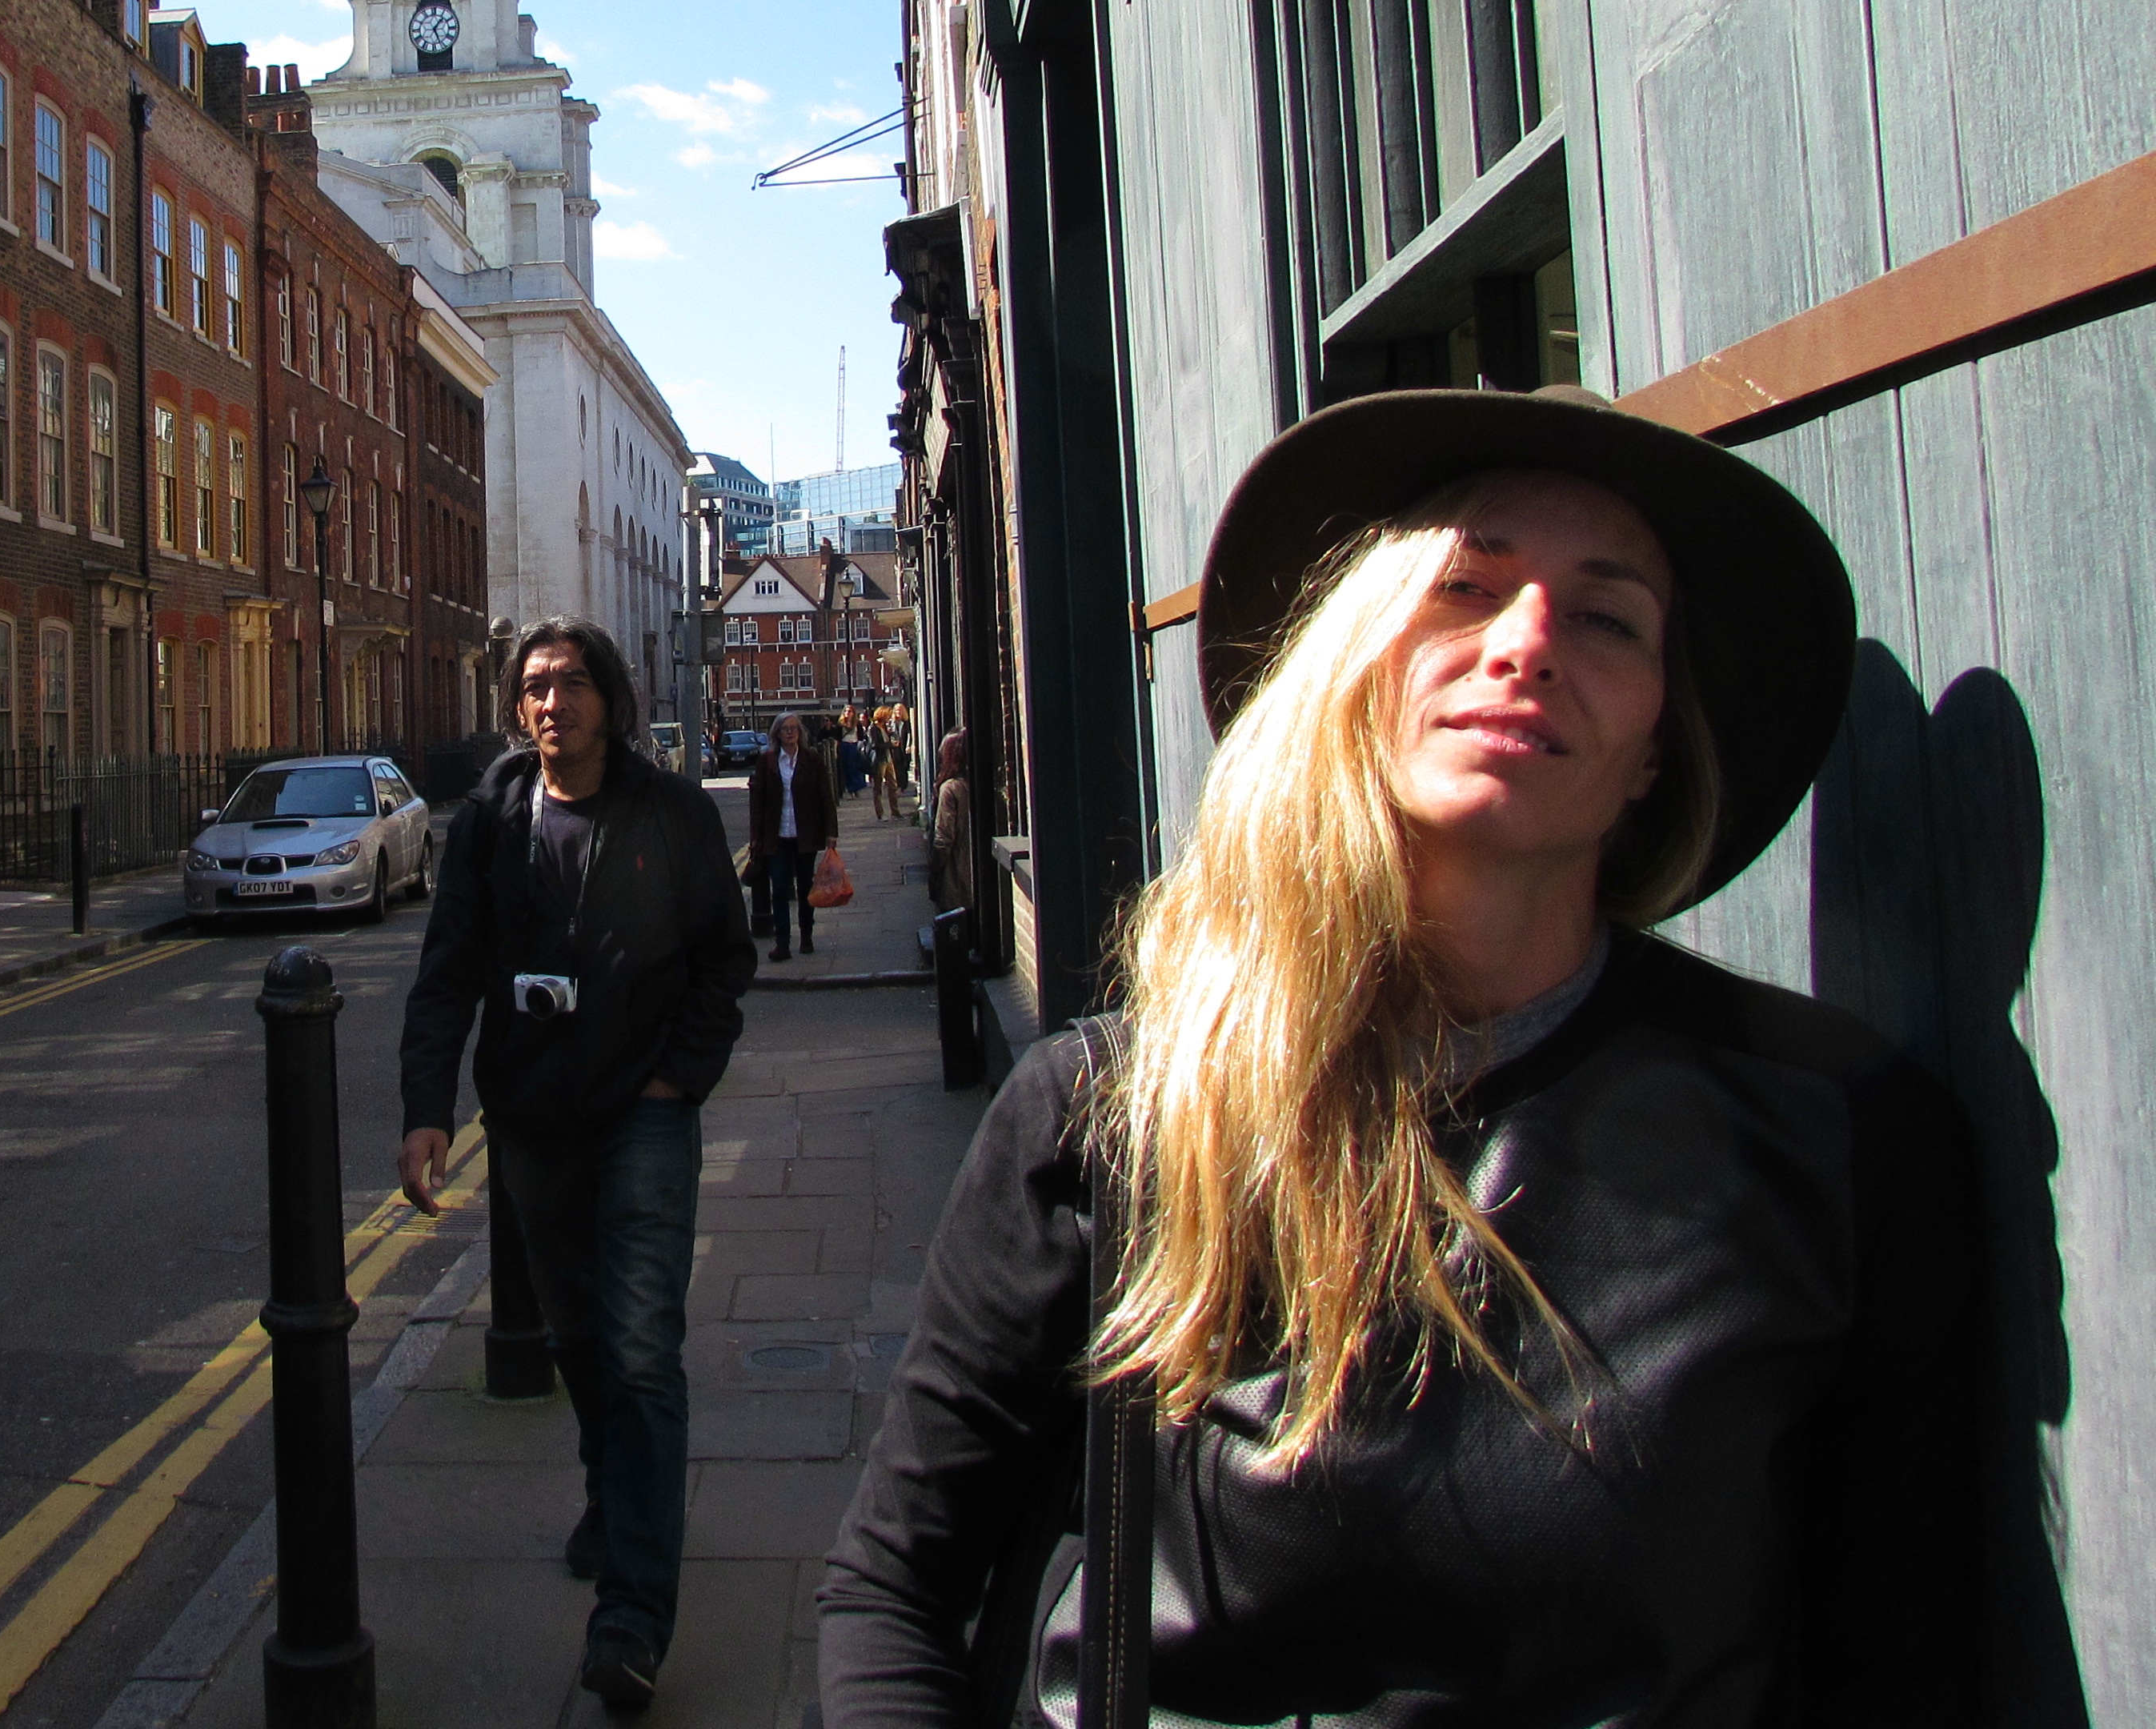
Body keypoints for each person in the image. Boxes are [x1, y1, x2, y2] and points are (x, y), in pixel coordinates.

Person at [817, 387, 1985, 1725]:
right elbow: (894, 1590)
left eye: (1607, 619)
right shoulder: (1117, 1117)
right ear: (1355, 672)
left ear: (1654, 753)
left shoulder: (1834, 1143)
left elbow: (1900, 1664)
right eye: (1465, 589)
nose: (1527, 642)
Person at [399, 616, 756, 1715]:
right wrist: (426, 1113)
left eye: (570, 682)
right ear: (519, 709)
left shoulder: (672, 813)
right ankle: (615, 1495)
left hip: (643, 1116)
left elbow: (724, 959)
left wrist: (676, 1081)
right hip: (534, 1121)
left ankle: (631, 1621)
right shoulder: (492, 825)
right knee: (580, 1339)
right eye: (535, 687)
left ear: (610, 696)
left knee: (643, 1349)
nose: (552, 702)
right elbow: (447, 969)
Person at [748, 710, 840, 957]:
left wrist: (831, 832)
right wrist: (755, 836)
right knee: (779, 889)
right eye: (784, 729)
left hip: (805, 833)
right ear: (777, 734)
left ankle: (806, 937)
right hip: (776, 835)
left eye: (793, 728)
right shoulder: (767, 761)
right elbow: (758, 802)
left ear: (800, 733)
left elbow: (826, 796)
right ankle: (783, 943)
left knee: (805, 888)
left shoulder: (812, 759)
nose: (789, 732)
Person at [924, 731, 972, 938]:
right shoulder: (974, 784)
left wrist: (934, 871)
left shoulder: (950, 789)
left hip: (956, 878)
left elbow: (943, 839)